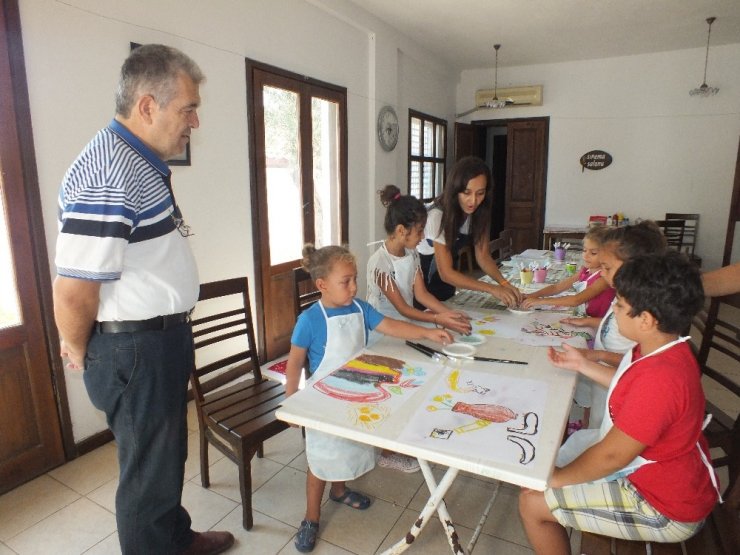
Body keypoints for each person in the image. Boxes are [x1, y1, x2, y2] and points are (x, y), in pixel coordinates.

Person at [53, 45, 234, 555]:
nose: (195, 121)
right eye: (188, 109)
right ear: (148, 106)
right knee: (146, 478)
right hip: (134, 349)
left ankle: (175, 537)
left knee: (165, 458)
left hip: (157, 340)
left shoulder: (137, 161)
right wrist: (77, 347)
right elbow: (73, 290)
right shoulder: (109, 172)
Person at [519, 252, 720, 554]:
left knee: (532, 501)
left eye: (620, 305)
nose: (613, 308)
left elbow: (612, 456)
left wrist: (556, 478)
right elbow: (628, 385)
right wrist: (583, 364)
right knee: (553, 467)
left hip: (665, 507)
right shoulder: (662, 349)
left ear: (646, 320)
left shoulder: (662, 380)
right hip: (666, 479)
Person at [285, 244, 452, 553]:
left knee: (347, 449)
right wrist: (292, 399)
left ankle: (339, 491)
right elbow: (294, 363)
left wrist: (427, 333)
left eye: (355, 279)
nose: (353, 287)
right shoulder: (310, 320)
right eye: (345, 281)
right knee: (322, 459)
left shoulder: (360, 309)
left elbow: (392, 326)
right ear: (322, 284)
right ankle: (311, 517)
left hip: (355, 395)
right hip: (324, 402)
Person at [367, 185, 471, 473]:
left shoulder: (411, 255)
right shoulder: (379, 263)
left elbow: (421, 295)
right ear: (401, 230)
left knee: (410, 381)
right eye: (420, 230)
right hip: (382, 332)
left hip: (405, 326)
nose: (423, 236)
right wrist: (438, 320)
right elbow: (402, 308)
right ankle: (387, 451)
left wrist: (447, 313)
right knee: (389, 387)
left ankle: (404, 434)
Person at [559, 221, 667, 429]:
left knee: (603, 423)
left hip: (617, 394)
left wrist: (600, 356)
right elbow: (613, 326)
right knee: (595, 417)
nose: (601, 273)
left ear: (633, 268)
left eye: (606, 268)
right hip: (607, 377)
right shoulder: (624, 298)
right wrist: (589, 324)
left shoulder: (639, 313)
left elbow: (639, 366)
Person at [417, 156, 521, 307]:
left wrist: (504, 283)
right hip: (422, 291)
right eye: (466, 193)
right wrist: (492, 289)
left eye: (480, 193)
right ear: (455, 190)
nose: (473, 201)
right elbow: (446, 273)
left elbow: (483, 255)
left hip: (446, 289)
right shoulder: (437, 216)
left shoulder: (479, 212)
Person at [521, 226, 614, 317]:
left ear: (609, 255)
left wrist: (541, 301)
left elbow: (576, 300)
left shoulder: (604, 279)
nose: (586, 255)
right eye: (584, 250)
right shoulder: (585, 271)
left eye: (593, 253)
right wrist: (532, 295)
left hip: (596, 322)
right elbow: (557, 288)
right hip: (585, 315)